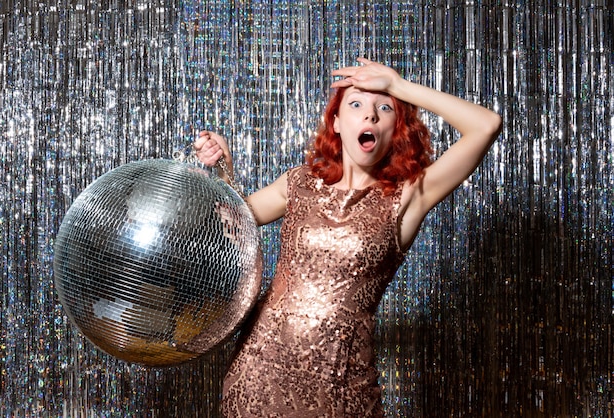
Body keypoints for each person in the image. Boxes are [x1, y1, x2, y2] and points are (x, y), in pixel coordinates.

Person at [194, 58, 502, 417]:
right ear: (337, 123)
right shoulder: (299, 183)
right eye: (356, 104)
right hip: (259, 373)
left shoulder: (407, 197)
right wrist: (220, 167)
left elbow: (486, 125)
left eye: (383, 108)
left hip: (341, 386)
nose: (369, 116)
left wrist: (398, 86)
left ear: (395, 129)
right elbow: (231, 225)